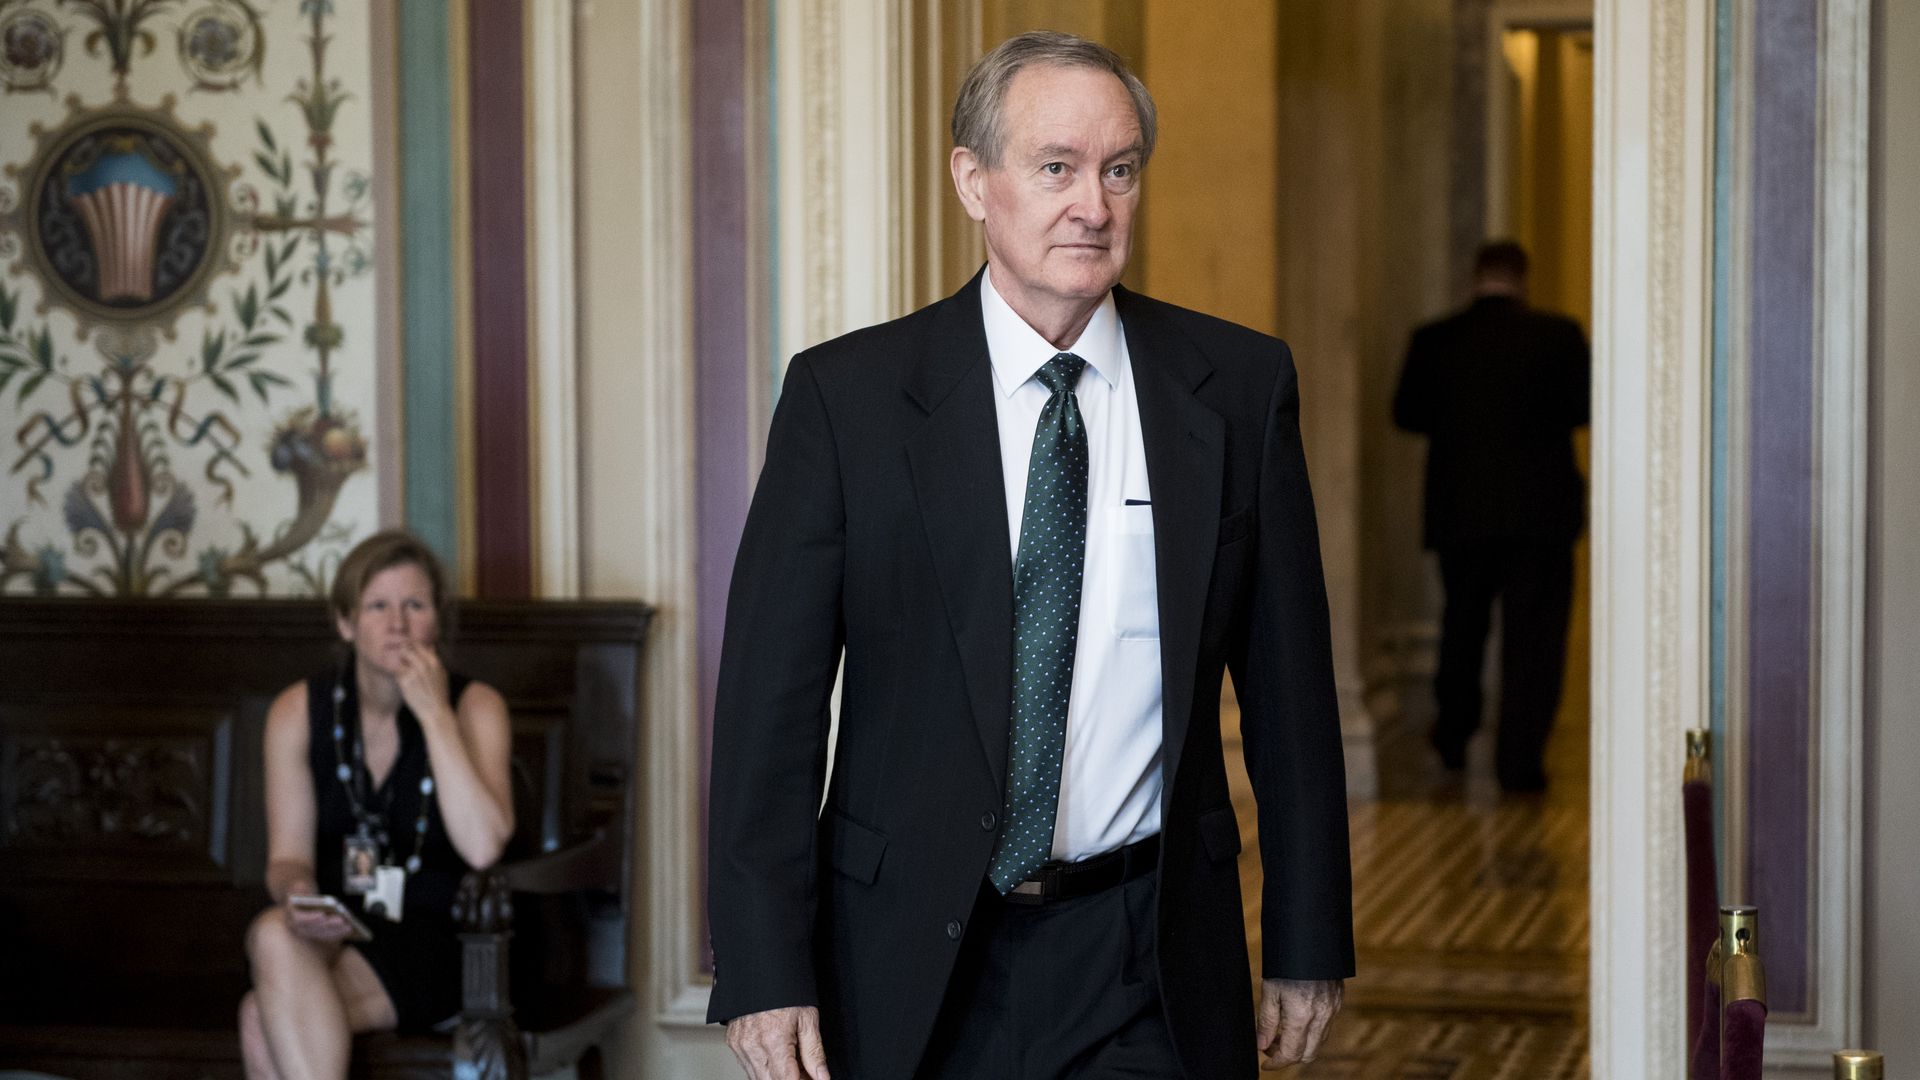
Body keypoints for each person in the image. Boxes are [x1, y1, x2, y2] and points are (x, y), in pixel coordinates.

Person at [708, 31, 1352, 1080]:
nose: (1091, 205)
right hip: (908, 954)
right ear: (975, 180)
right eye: (1056, 167)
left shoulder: (1234, 388)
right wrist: (763, 964)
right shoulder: (849, 401)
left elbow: (1290, 689)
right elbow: (767, 714)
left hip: (1147, 950)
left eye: (1119, 169)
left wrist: (1307, 938)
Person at [239, 531, 515, 1080]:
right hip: (342, 930)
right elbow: (287, 859)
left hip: (450, 939)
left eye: (415, 605)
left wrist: (435, 715)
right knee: (273, 931)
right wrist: (297, 895)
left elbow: (483, 846)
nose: (398, 624)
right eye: (378, 606)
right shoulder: (298, 711)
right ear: (346, 623)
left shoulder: (476, 706)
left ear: (436, 619)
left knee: (258, 1017)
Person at [1391, 241, 1591, 793]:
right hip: (1540, 517)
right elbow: (1583, 408)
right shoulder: (1558, 336)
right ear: (1522, 279)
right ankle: (1519, 761)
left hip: (1463, 512)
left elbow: (1405, 413)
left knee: (1463, 626)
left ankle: (1453, 736)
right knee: (1534, 641)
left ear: (1475, 276)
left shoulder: (1436, 340)